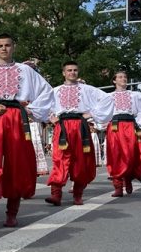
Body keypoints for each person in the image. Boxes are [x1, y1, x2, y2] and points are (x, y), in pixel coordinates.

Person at [0, 33, 54, 230]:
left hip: (16, 119)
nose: (4, 49)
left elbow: (47, 91)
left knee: (17, 164)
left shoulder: (25, 71)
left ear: (13, 47)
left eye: (7, 45)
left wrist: (31, 110)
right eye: (0, 46)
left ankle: (12, 214)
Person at [45, 62, 113, 207]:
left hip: (80, 126)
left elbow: (107, 99)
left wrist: (91, 114)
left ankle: (78, 194)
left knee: (80, 160)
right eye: (69, 70)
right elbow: (44, 104)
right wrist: (50, 116)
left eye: (75, 70)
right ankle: (56, 194)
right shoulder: (55, 91)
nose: (72, 72)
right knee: (59, 158)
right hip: (62, 126)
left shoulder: (87, 89)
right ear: (63, 73)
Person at [105, 71, 141, 195]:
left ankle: (128, 178)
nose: (123, 79)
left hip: (130, 126)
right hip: (114, 127)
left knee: (130, 154)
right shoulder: (108, 96)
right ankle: (118, 187)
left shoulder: (135, 95)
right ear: (114, 81)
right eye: (120, 77)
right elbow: (96, 109)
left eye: (125, 77)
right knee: (115, 155)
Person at [23, 59, 49, 176]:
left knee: (34, 142)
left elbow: (44, 101)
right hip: (20, 119)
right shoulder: (19, 86)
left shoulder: (38, 88)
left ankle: (35, 167)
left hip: (33, 120)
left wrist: (32, 108)